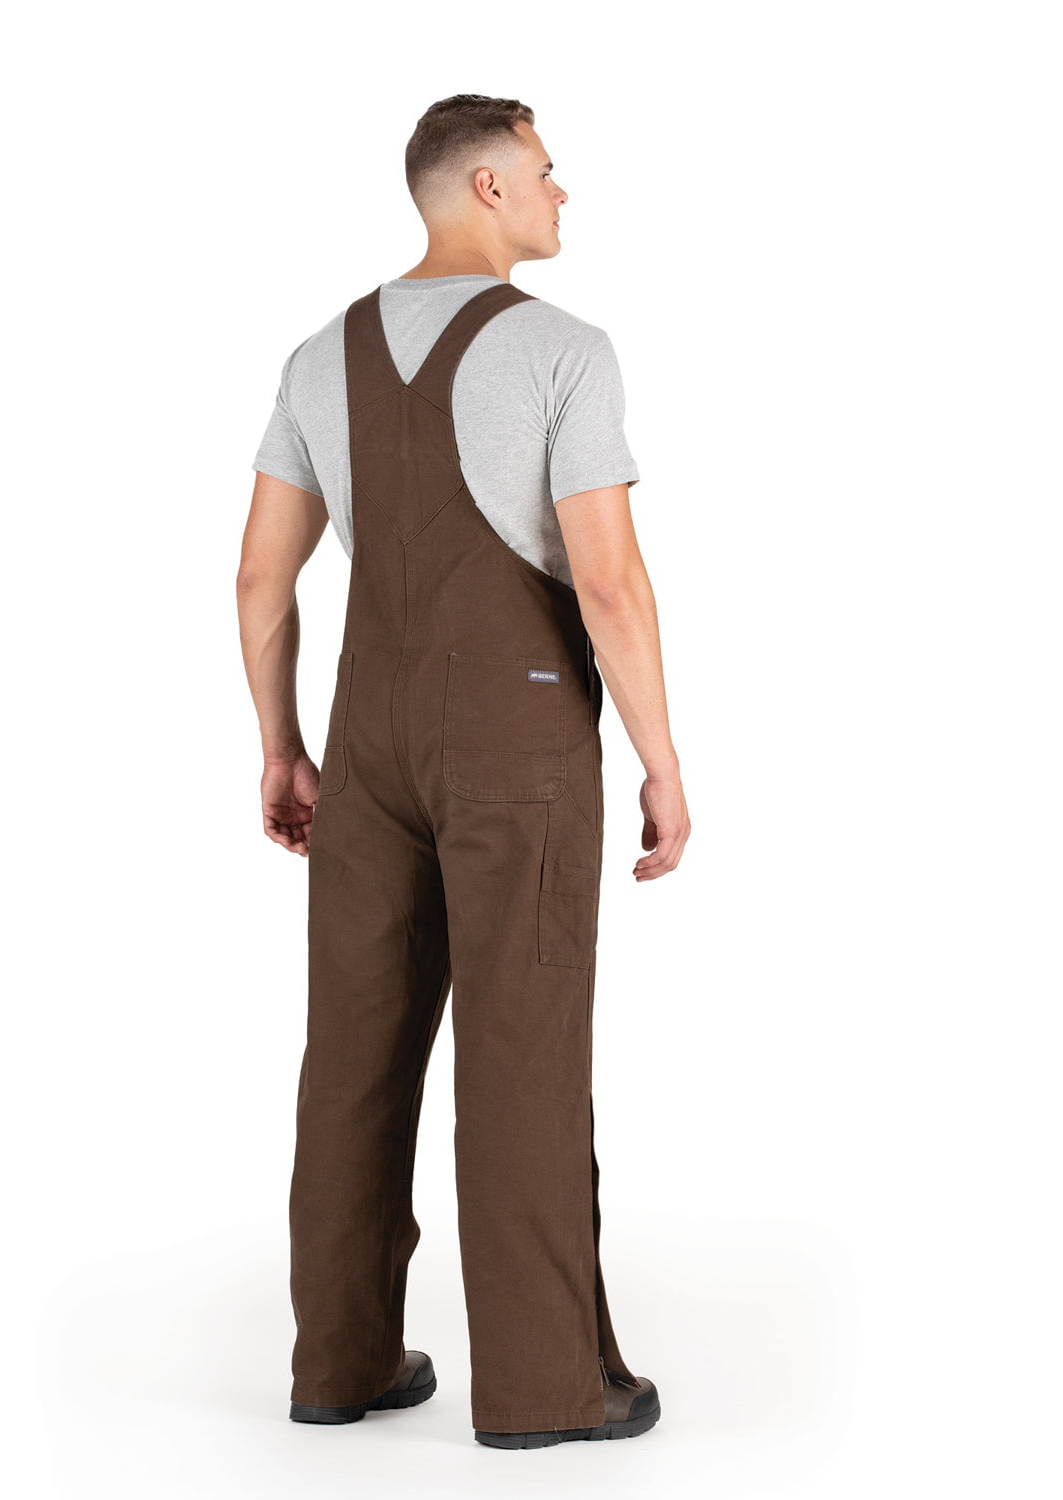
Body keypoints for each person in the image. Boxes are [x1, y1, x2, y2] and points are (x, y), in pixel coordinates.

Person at [237, 93, 690, 1451]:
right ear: (487, 185)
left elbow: (260, 575)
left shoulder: (317, 356)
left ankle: (340, 1362)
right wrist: (662, 760)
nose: (563, 192)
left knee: (354, 1049)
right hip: (515, 740)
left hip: (366, 741)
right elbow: (607, 583)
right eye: (547, 170)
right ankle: (549, 1388)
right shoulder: (563, 350)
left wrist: (283, 745)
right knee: (521, 1045)